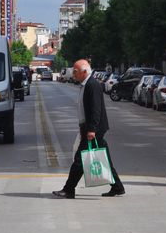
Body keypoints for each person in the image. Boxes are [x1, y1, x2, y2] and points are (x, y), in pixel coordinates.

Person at [53, 59, 125, 198]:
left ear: (85, 72)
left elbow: (95, 110)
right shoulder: (85, 84)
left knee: (79, 160)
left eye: (75, 72)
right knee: (104, 158)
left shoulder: (92, 85)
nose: (73, 74)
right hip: (89, 128)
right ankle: (117, 187)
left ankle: (69, 189)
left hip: (93, 129)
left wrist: (91, 129)